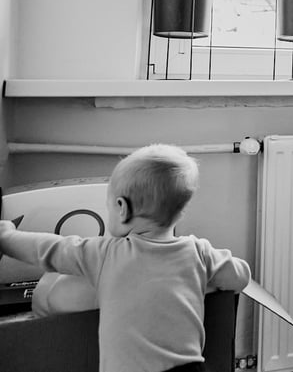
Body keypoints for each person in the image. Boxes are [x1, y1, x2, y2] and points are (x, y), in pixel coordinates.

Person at [0, 144, 251, 372]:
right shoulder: (199, 252)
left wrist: (7, 236)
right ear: (180, 213)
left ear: (121, 208)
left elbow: (47, 249)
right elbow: (240, 277)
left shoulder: (106, 253)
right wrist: (203, 280)